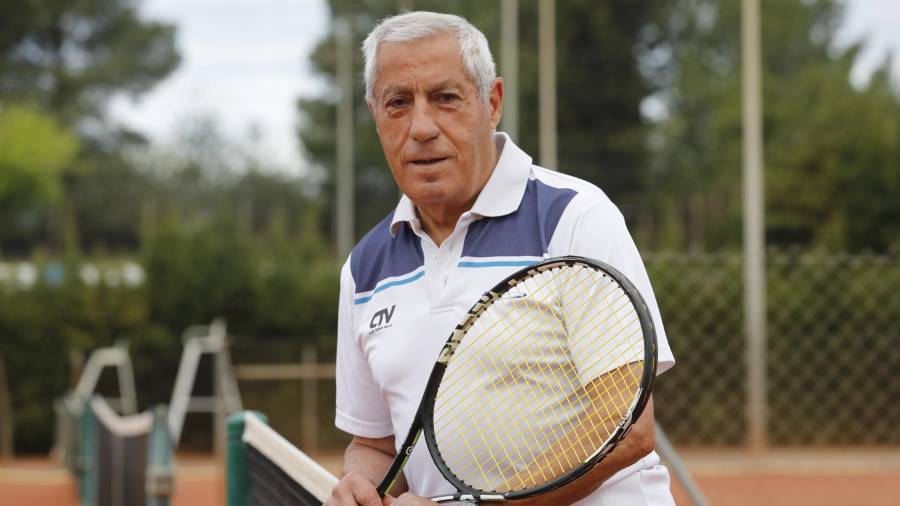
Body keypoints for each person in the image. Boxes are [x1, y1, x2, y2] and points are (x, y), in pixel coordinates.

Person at [327, 11, 676, 506]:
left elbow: (624, 424)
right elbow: (377, 445)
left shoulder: (574, 216)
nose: (422, 127)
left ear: (492, 103)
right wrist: (360, 484)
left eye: (445, 98)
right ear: (375, 116)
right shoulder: (364, 268)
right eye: (398, 103)